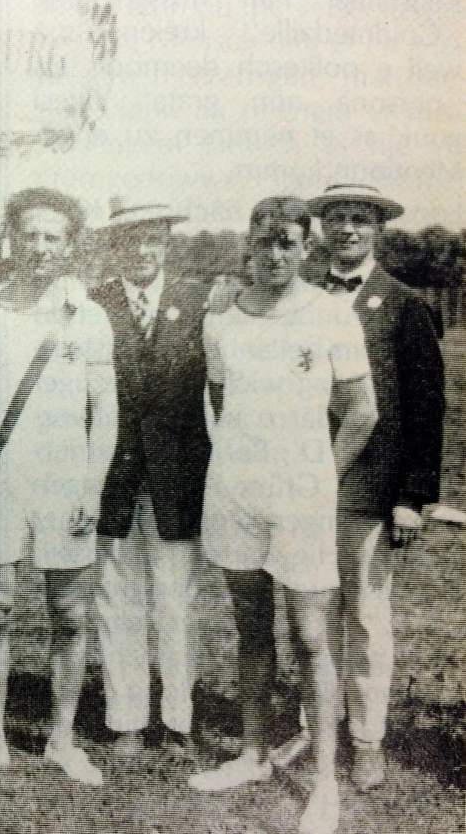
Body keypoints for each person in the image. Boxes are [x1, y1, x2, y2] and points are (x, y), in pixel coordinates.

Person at [188, 196, 378, 834]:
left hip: (302, 497)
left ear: (306, 250)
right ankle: (253, 752)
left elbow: (363, 410)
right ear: (248, 244)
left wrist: (324, 475)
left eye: (287, 245)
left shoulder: (329, 315)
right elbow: (219, 397)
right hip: (236, 493)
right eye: (263, 243)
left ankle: (324, 782)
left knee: (313, 638)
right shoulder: (221, 319)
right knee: (249, 631)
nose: (273, 257)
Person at [0, 187, 118, 787]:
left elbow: (105, 411)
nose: (38, 248)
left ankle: (61, 740)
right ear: (11, 240)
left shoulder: (87, 316)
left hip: (65, 482)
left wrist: (92, 487)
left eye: (52, 237)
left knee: (69, 614)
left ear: (70, 247)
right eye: (29, 235)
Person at [270, 184, 445, 791]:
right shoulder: (298, 297)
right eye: (337, 219)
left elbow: (426, 407)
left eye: (360, 219)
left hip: (369, 490)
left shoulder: (402, 303)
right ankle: (316, 726)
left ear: (378, 229)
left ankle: (366, 739)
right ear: (320, 229)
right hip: (302, 489)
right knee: (308, 618)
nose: (347, 229)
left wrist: (412, 496)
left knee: (365, 617)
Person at [90, 201, 211, 758]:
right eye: (131, 240)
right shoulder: (94, 306)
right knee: (118, 599)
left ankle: (180, 719)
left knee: (176, 603)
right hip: (113, 479)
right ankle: (126, 720)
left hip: (177, 482)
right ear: (115, 247)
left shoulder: (199, 302)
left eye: (153, 240)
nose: (142, 251)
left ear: (166, 243)